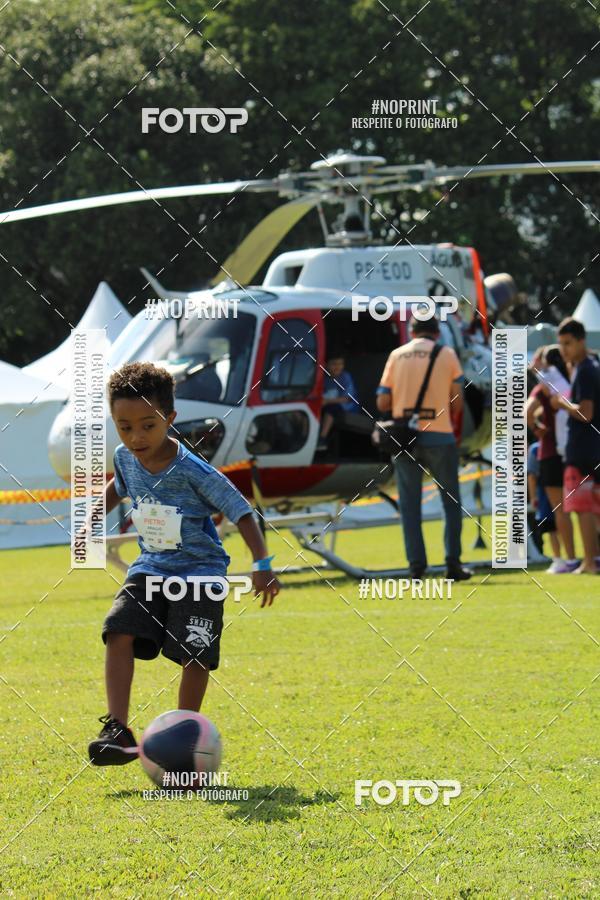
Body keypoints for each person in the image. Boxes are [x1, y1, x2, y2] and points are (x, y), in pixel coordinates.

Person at [88, 362, 280, 765]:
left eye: (147, 425)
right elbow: (117, 487)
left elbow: (241, 510)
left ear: (169, 419)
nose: (136, 437)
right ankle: (118, 729)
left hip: (200, 573)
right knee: (117, 630)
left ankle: (184, 732)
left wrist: (262, 563)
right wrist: (90, 520)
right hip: (150, 568)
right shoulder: (125, 459)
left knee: (196, 654)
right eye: (124, 426)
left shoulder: (193, 470)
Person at [376, 315, 471, 580]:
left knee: (409, 505)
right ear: (437, 332)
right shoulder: (447, 354)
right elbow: (457, 403)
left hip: (405, 438)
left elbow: (383, 402)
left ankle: (416, 567)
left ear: (411, 331)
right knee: (450, 502)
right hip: (440, 435)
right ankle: (453, 563)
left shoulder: (397, 355)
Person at [548, 318, 600, 574]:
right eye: (561, 345)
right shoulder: (589, 366)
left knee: (583, 507)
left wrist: (561, 404)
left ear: (581, 340)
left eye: (568, 343)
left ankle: (590, 561)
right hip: (592, 447)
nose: (564, 349)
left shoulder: (586, 370)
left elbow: (586, 413)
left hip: (583, 449)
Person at [526, 345, 577, 573]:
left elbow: (526, 411)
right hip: (576, 448)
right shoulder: (572, 379)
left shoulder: (543, 387)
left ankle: (570, 558)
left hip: (551, 452)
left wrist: (537, 427)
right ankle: (592, 554)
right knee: (586, 506)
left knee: (559, 509)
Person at [318, 355, 359, 451]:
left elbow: (347, 398)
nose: (338, 367)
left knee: (331, 409)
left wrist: (327, 401)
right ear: (326, 365)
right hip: (327, 404)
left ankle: (322, 438)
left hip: (347, 407)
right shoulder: (323, 378)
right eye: (334, 364)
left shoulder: (345, 377)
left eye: (340, 364)